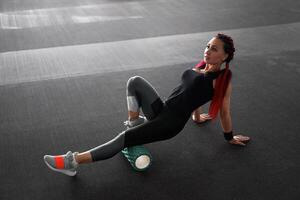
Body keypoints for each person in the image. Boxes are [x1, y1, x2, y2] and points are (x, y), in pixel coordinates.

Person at [44, 33, 250, 176]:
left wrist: (229, 137)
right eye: (207, 46)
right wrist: (197, 117)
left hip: (170, 123)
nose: (207, 51)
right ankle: (135, 123)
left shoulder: (221, 80)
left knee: (122, 139)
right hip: (163, 110)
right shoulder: (201, 68)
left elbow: (224, 112)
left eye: (214, 49)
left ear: (225, 56)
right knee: (135, 82)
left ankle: (72, 162)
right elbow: (193, 94)